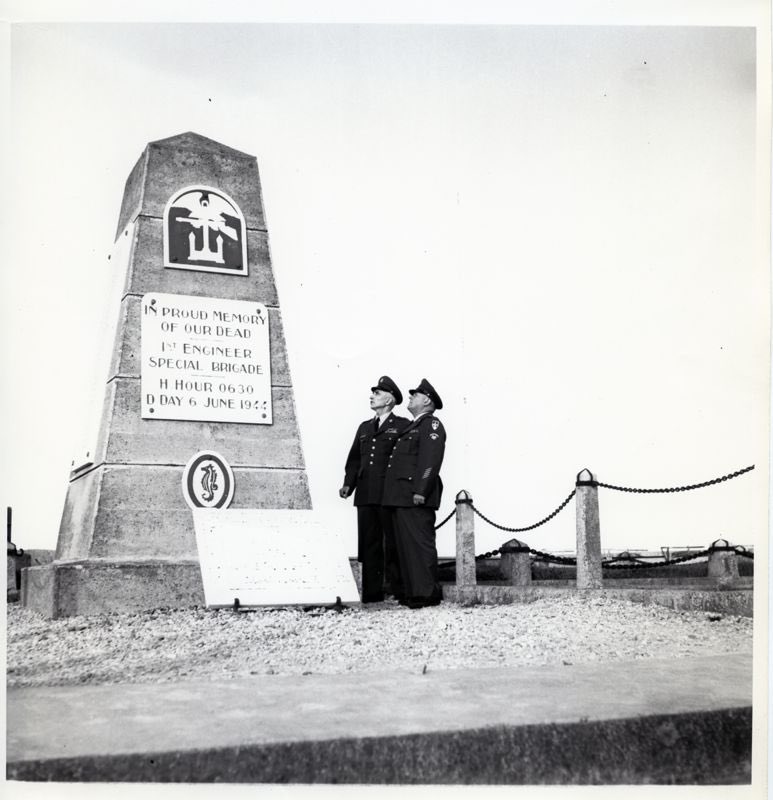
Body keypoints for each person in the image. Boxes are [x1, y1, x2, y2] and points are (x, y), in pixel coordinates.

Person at [340, 376, 409, 603]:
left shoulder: (401, 425)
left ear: (389, 400)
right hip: (366, 493)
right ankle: (371, 593)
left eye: (377, 394)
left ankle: (395, 590)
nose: (372, 396)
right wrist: (348, 484)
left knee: (391, 542)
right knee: (368, 543)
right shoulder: (364, 427)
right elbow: (354, 459)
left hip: (389, 494)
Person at [382, 378, 446, 609]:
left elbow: (430, 460)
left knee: (419, 546)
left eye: (414, 395)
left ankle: (426, 594)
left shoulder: (431, 425)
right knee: (404, 548)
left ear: (426, 399)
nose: (410, 398)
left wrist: (421, 490)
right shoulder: (413, 426)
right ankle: (411, 593)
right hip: (401, 497)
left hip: (415, 497)